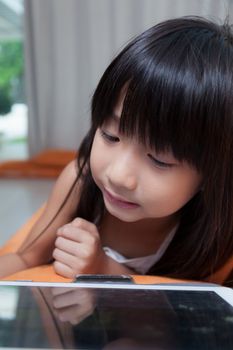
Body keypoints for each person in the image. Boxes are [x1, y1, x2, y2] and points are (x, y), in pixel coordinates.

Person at [0, 16, 233, 284]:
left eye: (159, 160)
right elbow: (26, 258)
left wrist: (103, 266)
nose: (119, 175)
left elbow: (191, 307)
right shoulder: (79, 180)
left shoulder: (218, 228)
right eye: (110, 136)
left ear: (212, 173)